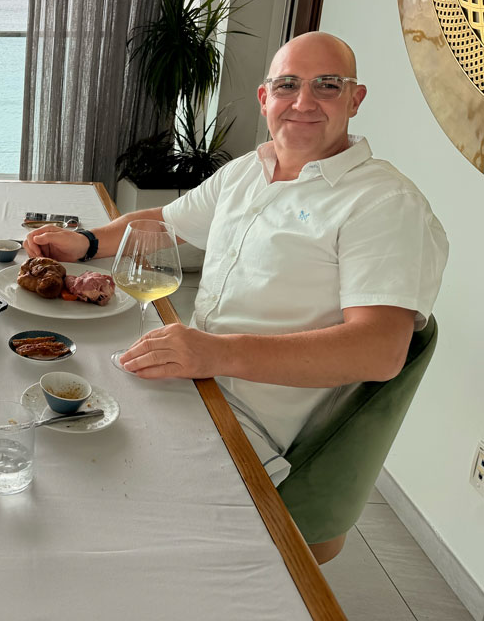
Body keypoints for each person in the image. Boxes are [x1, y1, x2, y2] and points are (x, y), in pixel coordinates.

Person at [24, 32, 448, 563]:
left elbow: (378, 350)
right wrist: (86, 242)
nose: (303, 101)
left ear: (355, 99)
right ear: (264, 97)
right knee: (35, 397)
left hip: (244, 427)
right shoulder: (254, 169)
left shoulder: (384, 203)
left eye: (327, 86)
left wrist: (217, 352)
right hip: (193, 387)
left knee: (72, 494)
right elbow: (163, 222)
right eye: (288, 85)